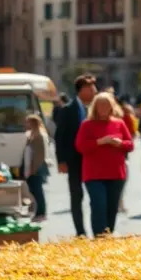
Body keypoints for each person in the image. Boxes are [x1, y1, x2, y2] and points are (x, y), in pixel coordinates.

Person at [75, 92, 134, 237]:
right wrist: (100, 141)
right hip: (94, 174)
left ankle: (109, 233)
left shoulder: (119, 123)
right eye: (100, 105)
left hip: (116, 172)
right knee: (98, 205)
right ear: (95, 107)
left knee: (112, 207)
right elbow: (80, 146)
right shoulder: (87, 124)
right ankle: (99, 236)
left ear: (112, 107)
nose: (103, 108)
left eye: (107, 105)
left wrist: (120, 143)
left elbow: (130, 145)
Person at [54, 75, 97, 238]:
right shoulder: (67, 110)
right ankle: (80, 232)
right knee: (76, 196)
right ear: (82, 90)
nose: (95, 91)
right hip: (74, 161)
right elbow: (60, 136)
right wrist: (61, 160)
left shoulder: (96, 110)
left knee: (95, 195)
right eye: (91, 88)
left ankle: (99, 229)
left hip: (92, 160)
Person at [22, 114, 52, 222]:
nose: (26, 124)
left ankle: (41, 212)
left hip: (37, 168)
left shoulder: (39, 136)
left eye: (28, 122)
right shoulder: (32, 134)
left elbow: (40, 155)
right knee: (33, 190)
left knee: (38, 191)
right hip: (32, 167)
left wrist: (33, 169)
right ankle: (36, 211)